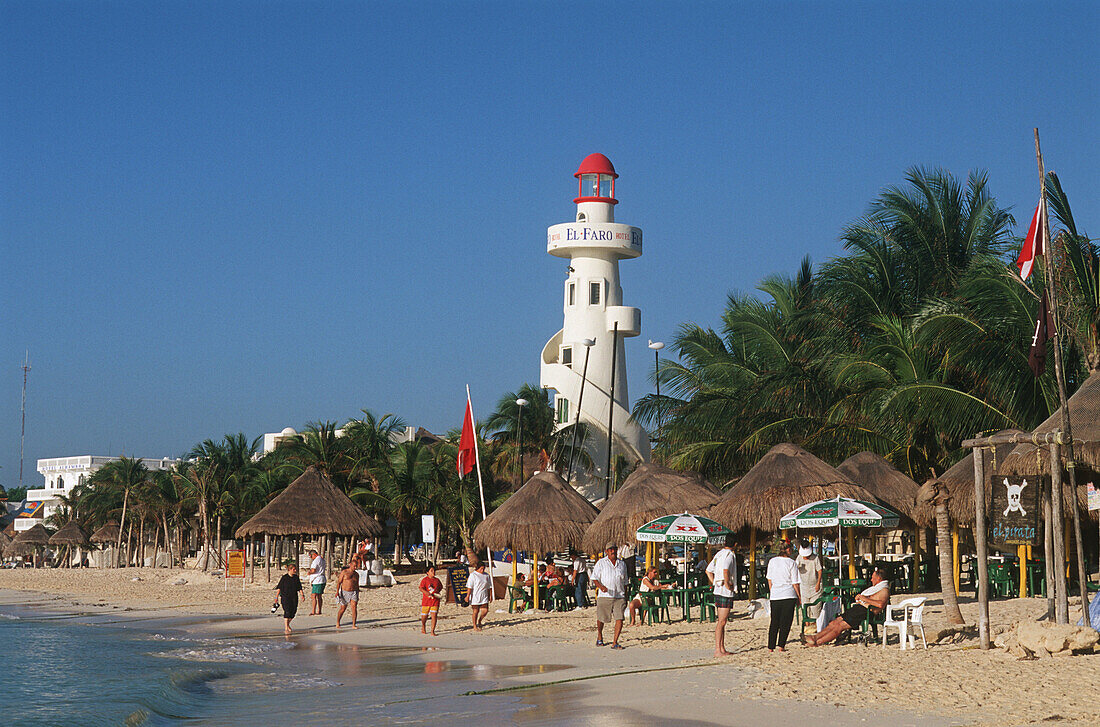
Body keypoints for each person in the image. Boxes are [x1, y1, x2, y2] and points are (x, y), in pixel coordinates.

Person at [803, 568, 890, 646]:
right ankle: (815, 637)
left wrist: (864, 599)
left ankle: (817, 642)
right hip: (859, 609)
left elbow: (880, 604)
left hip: (866, 612)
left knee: (839, 626)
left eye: (873, 577)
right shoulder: (877, 588)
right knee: (834, 623)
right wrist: (862, 599)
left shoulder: (884, 590)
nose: (871, 580)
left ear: (879, 579)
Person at [590, 544, 629, 649]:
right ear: (606, 551)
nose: (613, 551)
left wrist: (626, 595)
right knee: (601, 618)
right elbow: (594, 578)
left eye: (615, 549)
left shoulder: (622, 564)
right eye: (611, 550)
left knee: (619, 618)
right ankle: (599, 636)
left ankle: (615, 642)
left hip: (619, 595)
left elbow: (625, 581)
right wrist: (600, 586)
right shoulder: (601, 563)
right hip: (605, 595)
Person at [706, 533, 739, 656]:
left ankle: (721, 648)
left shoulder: (719, 554)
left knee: (721, 621)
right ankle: (718, 650)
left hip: (718, 590)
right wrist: (727, 583)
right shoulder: (730, 555)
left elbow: (708, 570)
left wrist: (714, 581)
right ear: (735, 544)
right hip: (724, 591)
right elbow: (726, 570)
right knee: (722, 621)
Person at [765, 542, 801, 652]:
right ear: (788, 550)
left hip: (776, 594)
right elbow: (795, 582)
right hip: (788, 594)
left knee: (774, 622)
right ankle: (781, 645)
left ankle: (771, 646)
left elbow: (769, 579)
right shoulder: (791, 563)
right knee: (786, 622)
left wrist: (773, 591)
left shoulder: (772, 561)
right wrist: (799, 597)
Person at [274, 563, 304, 635]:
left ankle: (287, 624)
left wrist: (302, 595)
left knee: (293, 612)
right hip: (285, 597)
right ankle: (286, 627)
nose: (295, 570)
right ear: (289, 569)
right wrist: (276, 597)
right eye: (294, 569)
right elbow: (279, 588)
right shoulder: (284, 578)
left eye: (295, 569)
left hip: (294, 597)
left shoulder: (296, 578)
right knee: (287, 611)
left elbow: (299, 587)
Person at [796, 539, 823, 618]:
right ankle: (807, 626)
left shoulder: (815, 558)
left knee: (816, 609)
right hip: (804, 587)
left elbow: (819, 570)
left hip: (815, 587)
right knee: (805, 609)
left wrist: (818, 583)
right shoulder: (799, 558)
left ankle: (817, 626)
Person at [335, 558, 361, 630]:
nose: (355, 568)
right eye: (354, 566)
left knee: (354, 607)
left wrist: (358, 592)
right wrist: (337, 592)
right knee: (343, 608)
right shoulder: (344, 572)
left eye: (356, 566)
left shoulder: (356, 574)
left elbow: (357, 584)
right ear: (350, 565)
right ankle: (338, 622)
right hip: (345, 592)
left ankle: (354, 624)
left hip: (354, 592)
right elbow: (339, 582)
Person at [419, 564, 444, 636]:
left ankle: (432, 631)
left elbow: (440, 588)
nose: (433, 572)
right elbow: (421, 588)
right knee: (424, 616)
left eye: (434, 570)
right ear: (427, 572)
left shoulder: (437, 580)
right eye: (431, 571)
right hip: (426, 601)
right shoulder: (425, 580)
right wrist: (427, 593)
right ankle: (423, 626)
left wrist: (438, 594)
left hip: (435, 601)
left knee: (434, 615)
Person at [467, 560, 492, 631]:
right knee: (475, 611)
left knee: (485, 611)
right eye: (481, 568)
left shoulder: (486, 575)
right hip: (475, 596)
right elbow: (469, 587)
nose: (482, 570)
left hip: (484, 595)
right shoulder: (473, 575)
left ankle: (480, 620)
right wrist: (467, 596)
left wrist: (490, 595)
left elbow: (489, 586)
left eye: (483, 568)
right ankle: (474, 625)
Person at [307, 549, 326, 615]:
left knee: (314, 595)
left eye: (311, 556)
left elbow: (313, 570)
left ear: (314, 555)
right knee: (319, 596)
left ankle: (313, 611)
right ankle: (319, 610)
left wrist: (309, 572)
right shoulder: (322, 559)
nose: (311, 558)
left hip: (317, 580)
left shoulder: (316, 560)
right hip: (322, 579)